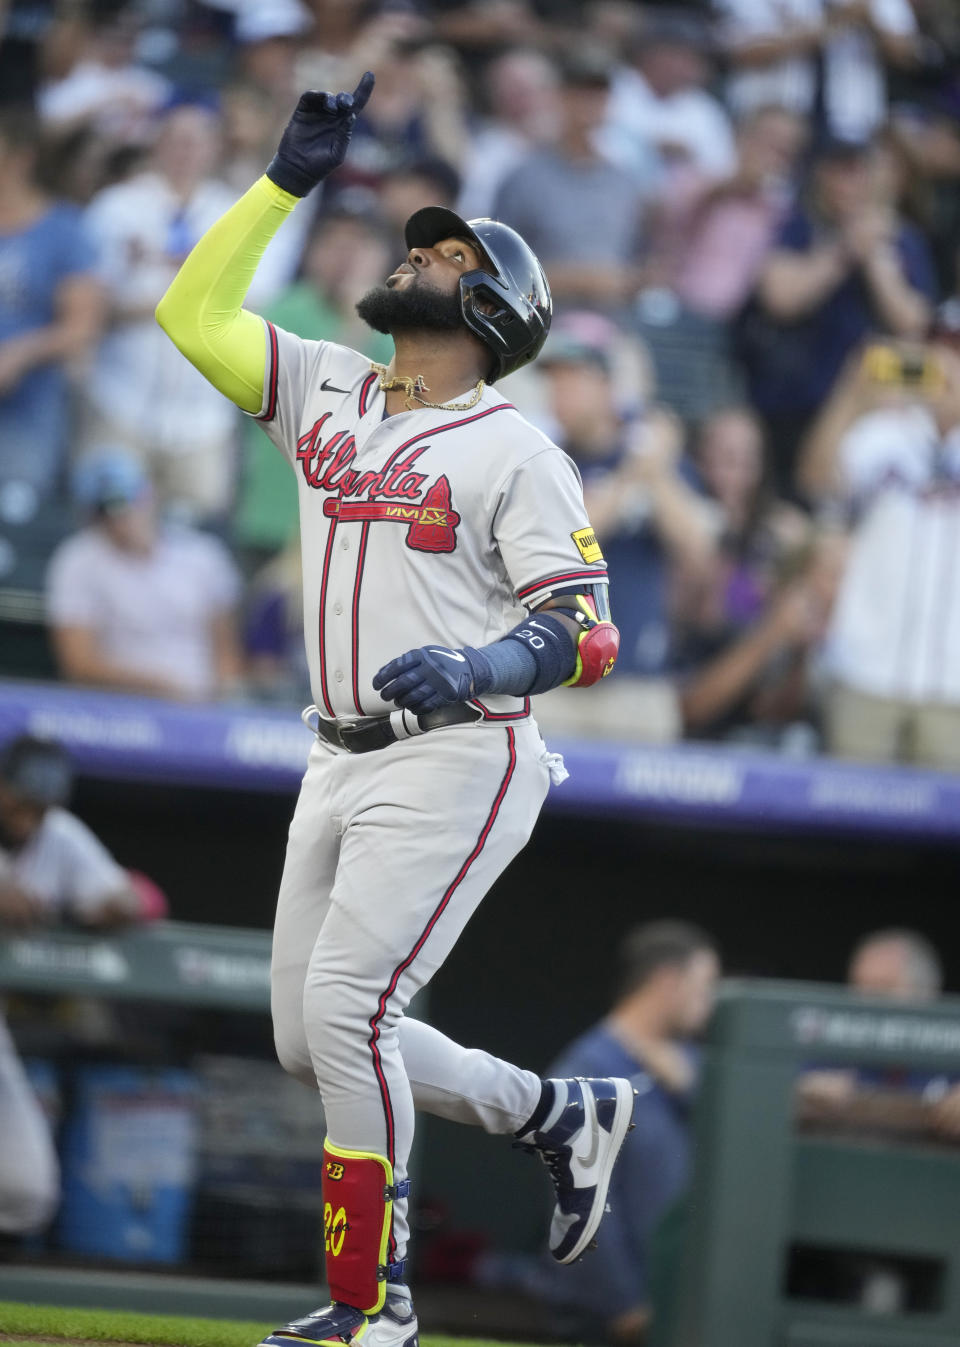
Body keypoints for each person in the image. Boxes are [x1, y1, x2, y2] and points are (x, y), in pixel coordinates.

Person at [156, 72, 636, 1347]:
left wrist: (482, 667)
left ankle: (376, 1305)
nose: (419, 254)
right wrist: (280, 183)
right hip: (336, 754)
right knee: (305, 1037)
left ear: (491, 306)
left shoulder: (516, 449)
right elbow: (187, 310)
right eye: (421, 242)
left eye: (449, 252)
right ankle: (550, 1114)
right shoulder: (328, 387)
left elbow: (588, 633)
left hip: (460, 755)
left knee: (348, 1015)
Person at [533, 314, 716, 742]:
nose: (559, 394)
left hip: (640, 685)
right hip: (556, 682)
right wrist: (636, 471)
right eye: (554, 382)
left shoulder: (659, 465)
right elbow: (574, 541)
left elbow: (700, 550)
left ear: (606, 386)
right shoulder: (546, 461)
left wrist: (656, 472)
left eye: (572, 380)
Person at [541, 922, 721, 1346]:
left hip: (679, 1300)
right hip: (609, 1316)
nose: (710, 1003)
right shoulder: (586, 1072)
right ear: (667, 981)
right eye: (705, 985)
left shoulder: (693, 1066)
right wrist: (625, 1305)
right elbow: (579, 1201)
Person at [0, 734, 144, 1240]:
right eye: (19, 802)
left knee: (25, 1191)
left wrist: (110, 907)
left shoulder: (56, 833)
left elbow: (126, 900)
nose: (29, 819)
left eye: (40, 808)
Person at [798, 337, 960, 769]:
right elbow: (815, 480)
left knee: (945, 831)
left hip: (953, 682)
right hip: (865, 668)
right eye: (942, 351)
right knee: (852, 828)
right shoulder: (883, 432)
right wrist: (852, 393)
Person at [743, 134, 937, 491]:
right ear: (821, 176)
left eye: (859, 172)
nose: (850, 183)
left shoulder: (903, 238)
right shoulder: (797, 226)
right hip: (793, 396)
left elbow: (916, 325)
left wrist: (877, 257)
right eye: (841, 172)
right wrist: (845, 250)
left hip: (872, 399)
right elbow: (780, 299)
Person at [46, 452, 243, 702]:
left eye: (126, 501)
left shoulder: (203, 554)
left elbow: (226, 652)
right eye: (105, 510)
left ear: (148, 494)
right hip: (118, 707)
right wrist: (161, 686)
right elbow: (79, 664)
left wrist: (223, 701)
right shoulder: (78, 559)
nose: (120, 517)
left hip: (203, 706)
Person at [493, 50, 651, 316]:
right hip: (538, 326)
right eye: (579, 93)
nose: (589, 103)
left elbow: (641, 266)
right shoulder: (523, 178)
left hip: (613, 326)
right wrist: (577, 279)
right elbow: (497, 267)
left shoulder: (625, 182)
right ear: (560, 97)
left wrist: (633, 280)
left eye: (598, 94)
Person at [0, 106, 103, 512]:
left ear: (21, 159)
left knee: (16, 513)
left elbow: (81, 326)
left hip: (29, 406)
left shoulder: (64, 229)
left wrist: (18, 354)